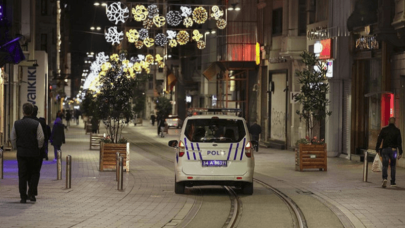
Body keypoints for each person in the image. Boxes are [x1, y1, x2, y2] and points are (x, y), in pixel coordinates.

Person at [10, 103, 44, 203]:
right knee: (34, 173)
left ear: (23, 111)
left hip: (22, 153)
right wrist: (38, 147)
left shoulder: (17, 123)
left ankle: (23, 196)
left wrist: (16, 147)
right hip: (33, 152)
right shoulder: (36, 124)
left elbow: (13, 138)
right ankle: (32, 194)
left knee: (22, 174)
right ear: (32, 112)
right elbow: (40, 138)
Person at [27, 106, 48, 199]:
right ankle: (32, 191)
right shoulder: (42, 123)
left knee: (28, 171)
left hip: (27, 151)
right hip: (38, 151)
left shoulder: (25, 123)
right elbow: (45, 137)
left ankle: (31, 190)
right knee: (36, 172)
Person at [376, 117, 403, 188]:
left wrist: (377, 148)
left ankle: (384, 178)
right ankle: (393, 182)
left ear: (388, 121)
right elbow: (399, 142)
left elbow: (379, 139)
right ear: (394, 122)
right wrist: (400, 152)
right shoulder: (397, 130)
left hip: (385, 150)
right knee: (393, 166)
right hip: (393, 150)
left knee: (385, 165)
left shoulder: (384, 129)